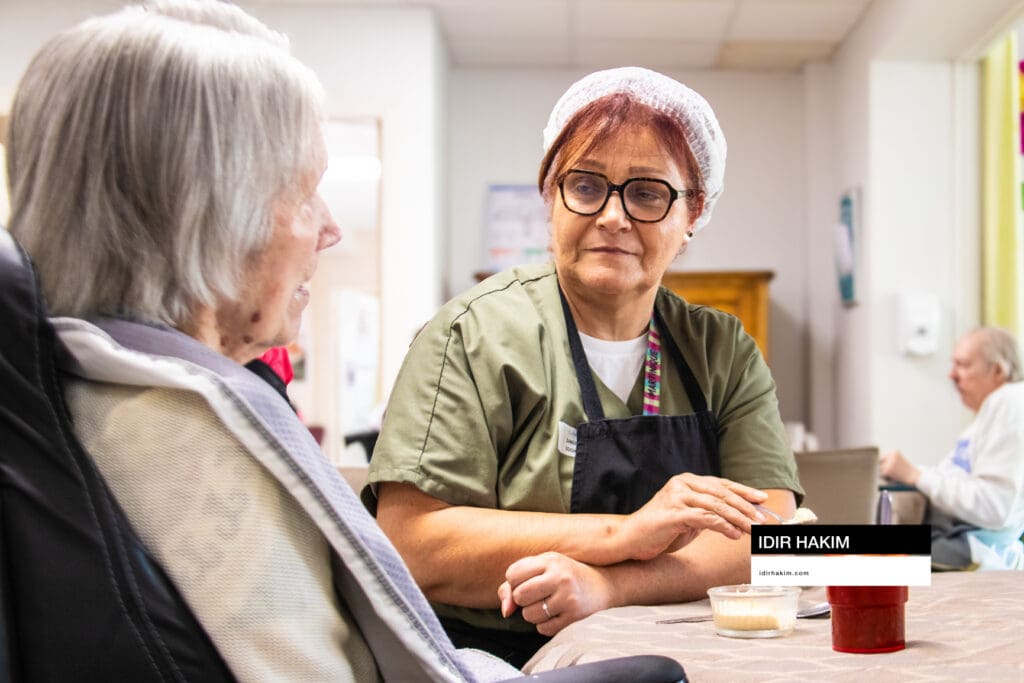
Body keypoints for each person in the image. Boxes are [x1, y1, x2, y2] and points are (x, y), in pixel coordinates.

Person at [4, 1, 522, 680]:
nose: (329, 229)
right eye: (307, 193)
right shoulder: (185, 428)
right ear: (214, 213)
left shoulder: (73, 384)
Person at [365, 67, 802, 666]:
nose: (614, 217)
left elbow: (781, 540)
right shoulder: (472, 337)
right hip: (504, 658)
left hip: (691, 652)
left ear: (693, 213)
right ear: (551, 196)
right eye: (588, 185)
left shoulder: (720, 350)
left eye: (647, 192)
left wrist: (612, 586)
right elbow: (412, 544)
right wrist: (622, 535)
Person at [880, 326, 1024, 570]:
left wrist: (915, 475)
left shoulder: (1010, 400)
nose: (952, 375)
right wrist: (903, 472)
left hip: (976, 546)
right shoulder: (981, 423)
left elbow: (995, 507)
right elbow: (952, 480)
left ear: (998, 370)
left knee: (845, 554)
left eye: (964, 365)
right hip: (959, 538)